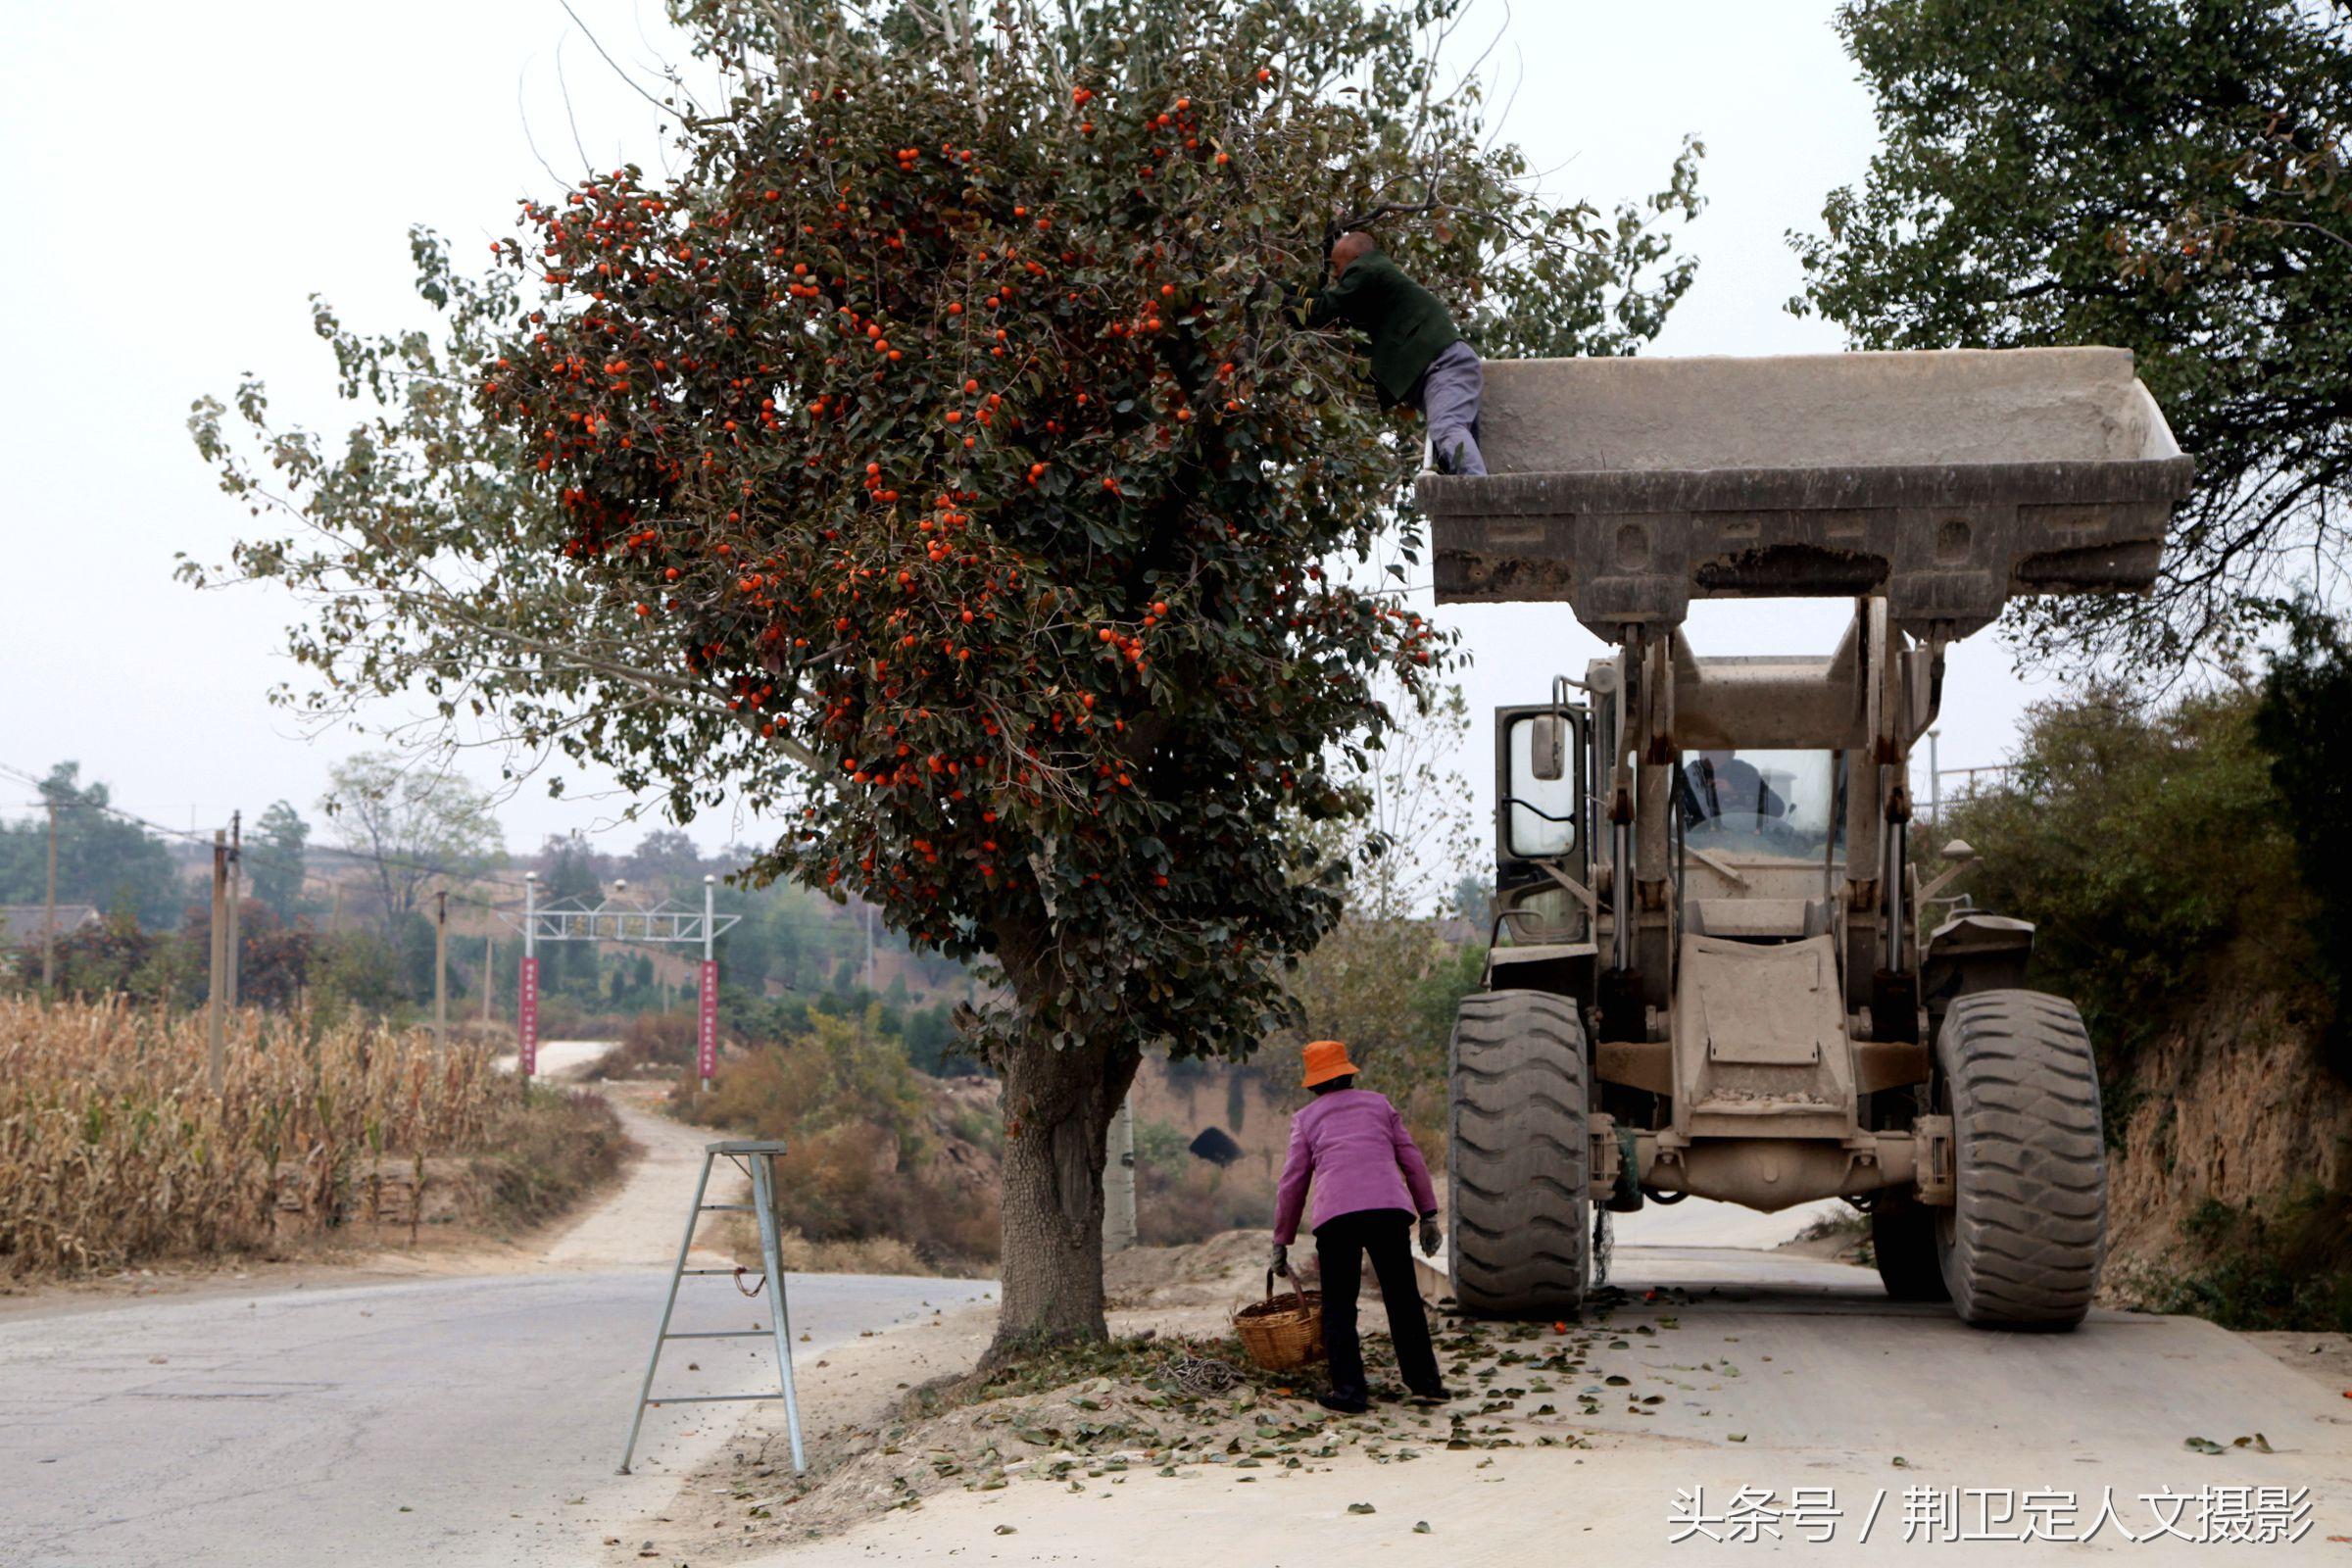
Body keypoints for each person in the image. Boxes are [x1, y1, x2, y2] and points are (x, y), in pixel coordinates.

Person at [1268, 1039, 1452, 1413]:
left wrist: (1281, 1240)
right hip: (1388, 1210)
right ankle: (1426, 1385)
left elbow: (1293, 1184)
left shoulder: (1305, 1120)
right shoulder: (1379, 1104)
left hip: (1338, 1218)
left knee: (1340, 1306)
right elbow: (1412, 1160)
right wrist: (1429, 1214)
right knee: (1402, 1299)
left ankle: (1351, 1392)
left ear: (1315, 1083)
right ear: (1347, 1075)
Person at [1300, 230, 1487, 476]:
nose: (1335, 273)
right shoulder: (1374, 286)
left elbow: (1324, 308)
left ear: (1355, 257)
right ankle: (1475, 494)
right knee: (1451, 446)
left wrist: (1283, 298)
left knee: (1446, 427)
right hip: (1445, 367)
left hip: (1444, 365)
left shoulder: (1366, 269)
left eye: (1337, 265)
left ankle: (1480, 494)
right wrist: (1288, 294)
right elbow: (1329, 305)